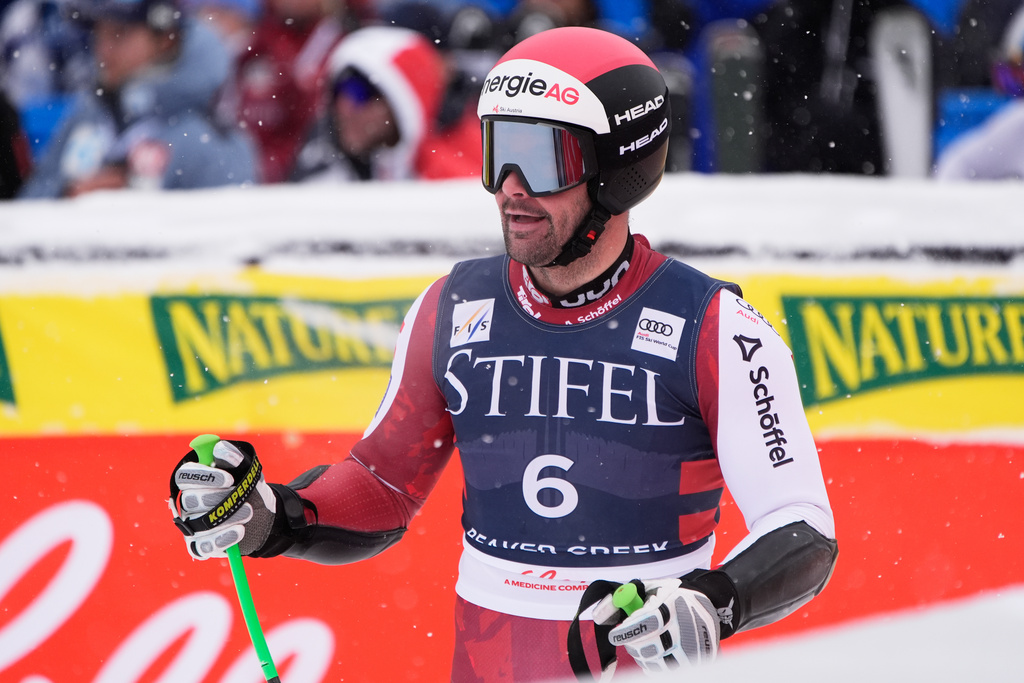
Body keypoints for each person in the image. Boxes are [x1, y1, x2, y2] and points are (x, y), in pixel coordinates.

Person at [169, 26, 838, 681]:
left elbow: (802, 529)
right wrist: (272, 516)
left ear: (617, 171)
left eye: (542, 159)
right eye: (499, 153)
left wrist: (711, 599)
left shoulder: (714, 326)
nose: (510, 187)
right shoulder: (453, 307)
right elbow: (382, 484)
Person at [17, 0, 257, 198]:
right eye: (99, 34)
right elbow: (28, 208)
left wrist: (130, 203)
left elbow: (231, 241)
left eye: (119, 35)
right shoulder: (86, 113)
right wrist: (67, 195)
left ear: (165, 39)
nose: (104, 50)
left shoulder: (209, 137)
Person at [288, 25, 479, 183]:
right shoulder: (318, 166)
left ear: (403, 104)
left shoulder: (450, 181)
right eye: (339, 90)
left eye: (361, 92)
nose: (346, 107)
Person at [231, 0, 347, 184]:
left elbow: (332, 117)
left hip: (308, 175)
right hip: (247, 174)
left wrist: (291, 85)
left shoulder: (336, 43)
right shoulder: (252, 41)